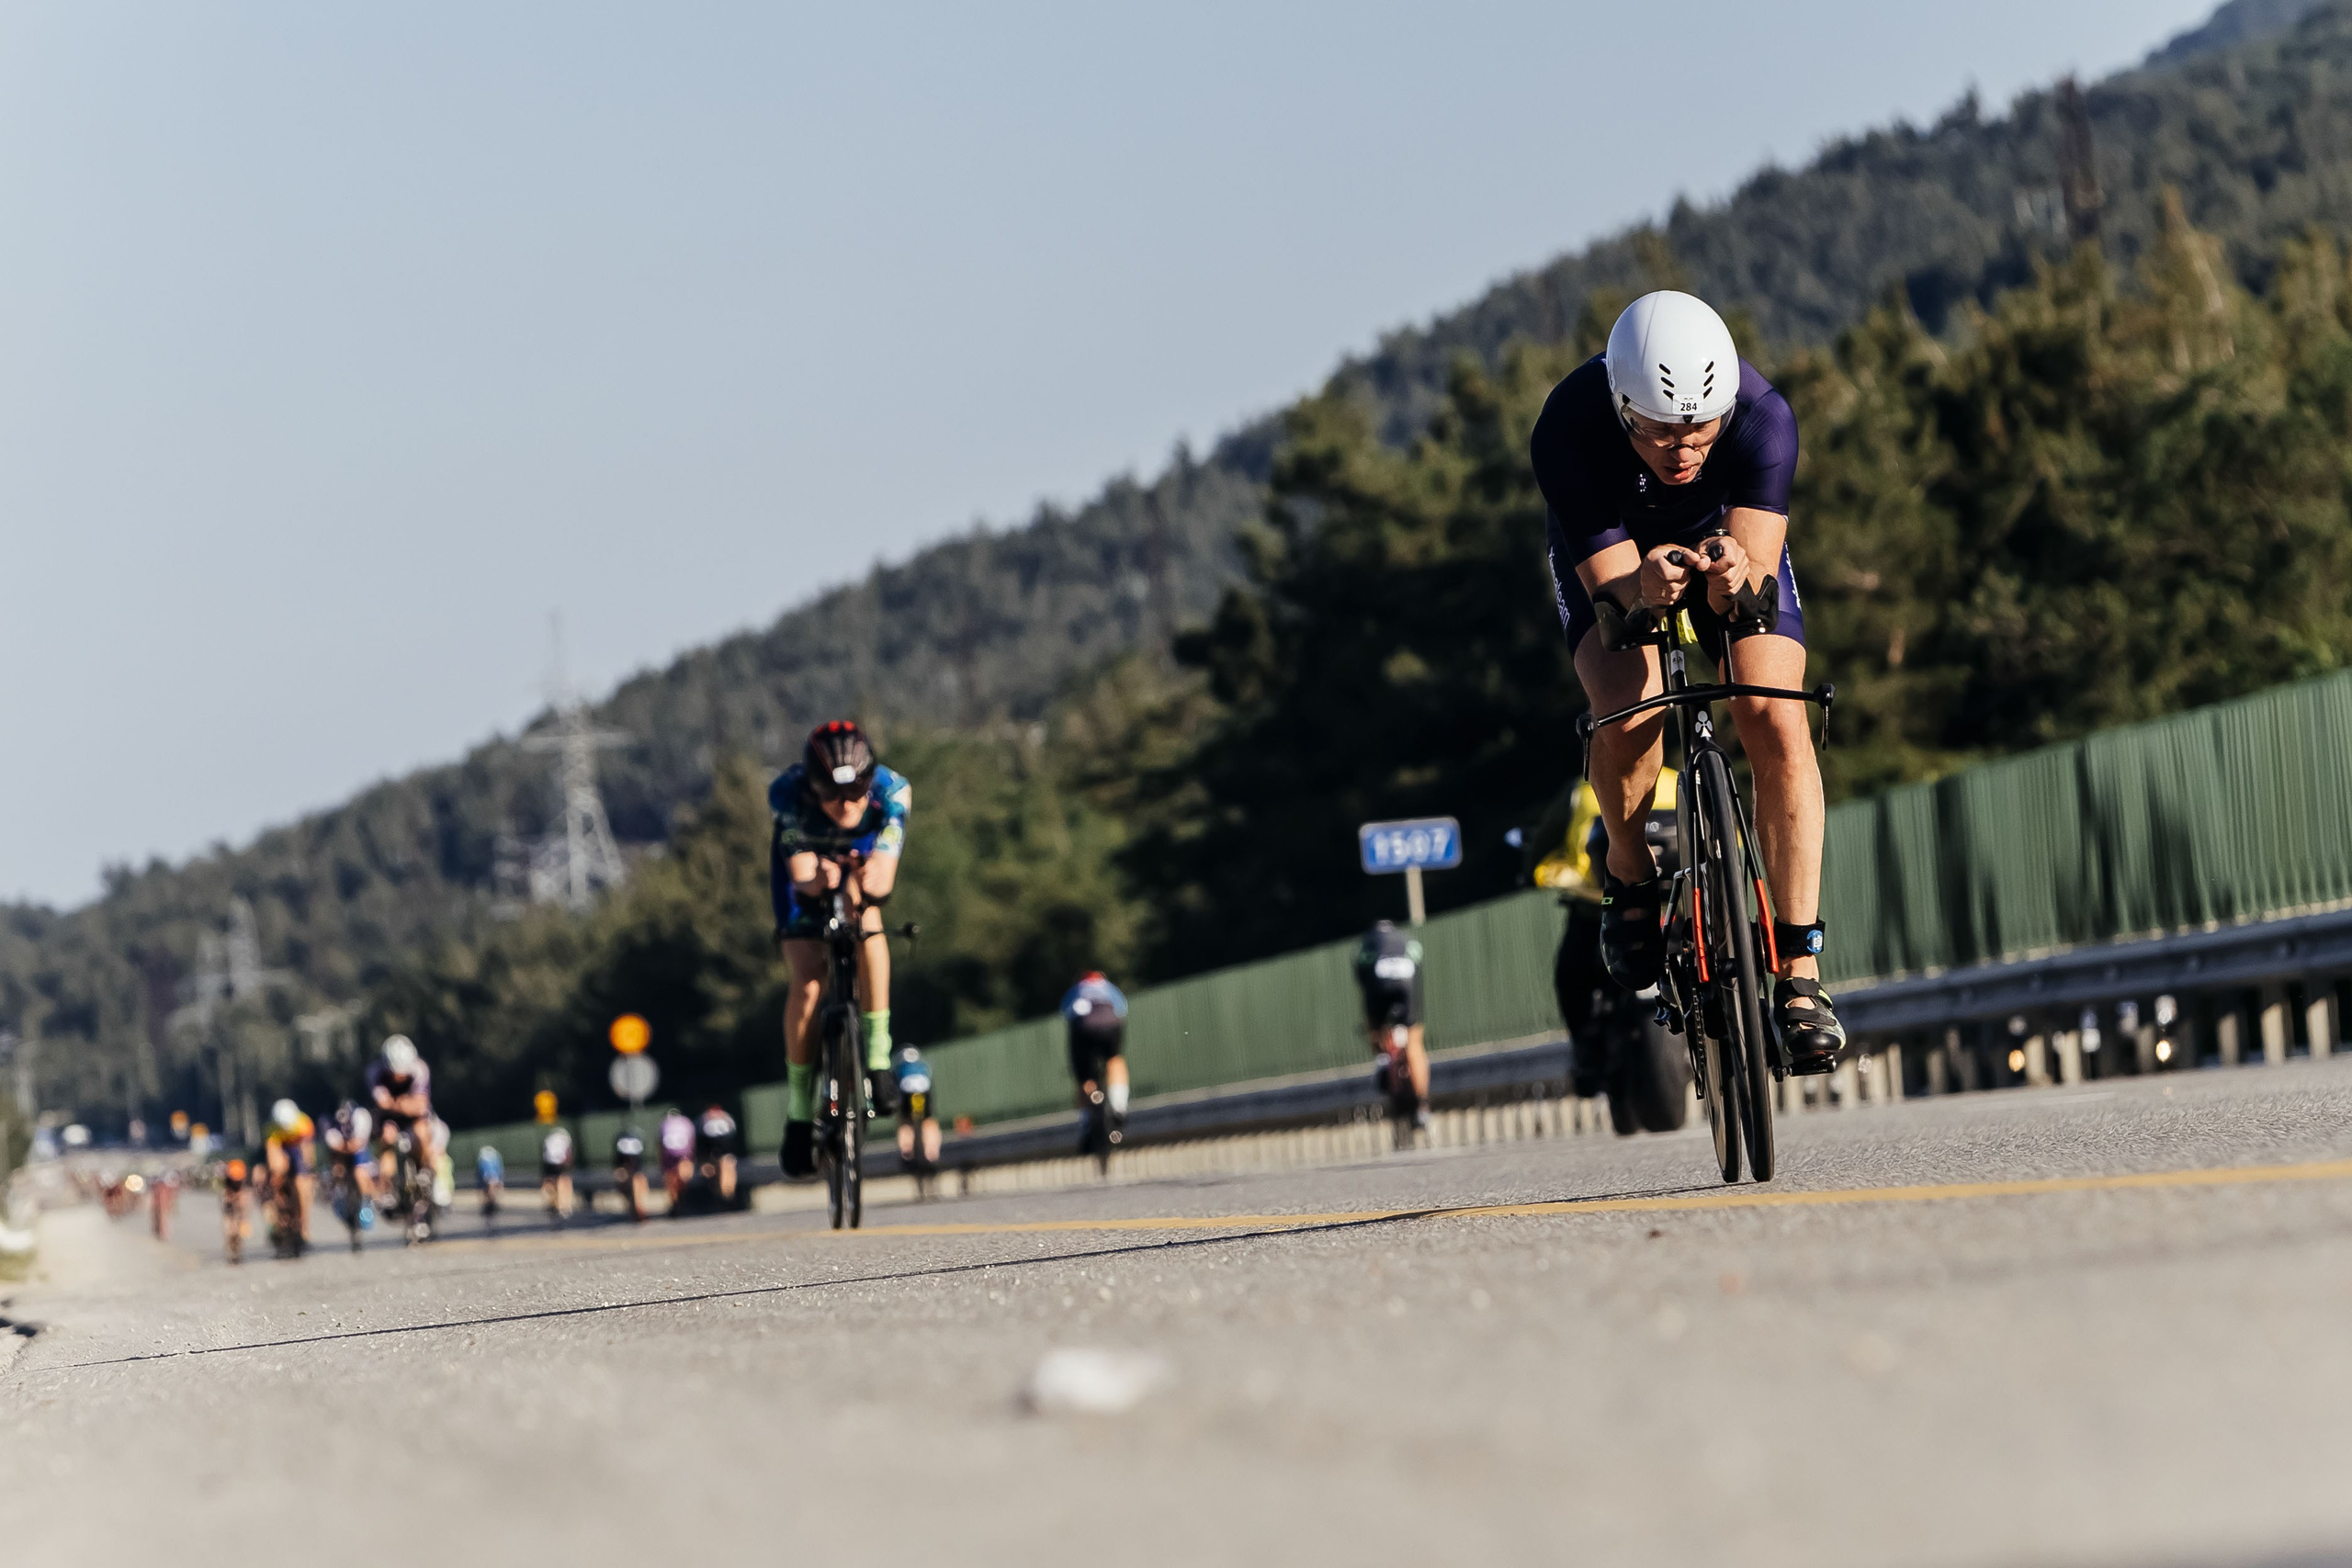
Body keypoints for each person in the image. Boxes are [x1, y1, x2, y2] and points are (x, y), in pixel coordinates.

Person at [1529, 289, 1844, 1073]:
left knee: (1775, 714)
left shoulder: (1763, 418)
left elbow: (1755, 585)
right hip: (1613, 552)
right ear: (1621, 407)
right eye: (1659, 431)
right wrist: (1640, 588)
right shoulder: (1569, 425)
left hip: (1722, 537)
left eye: (1701, 428)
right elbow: (1613, 604)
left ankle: (1800, 970)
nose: (1682, 450)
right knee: (1628, 708)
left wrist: (1735, 576)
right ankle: (1629, 871)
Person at [770, 721, 911, 1179]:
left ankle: (877, 1056)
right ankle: (798, 1111)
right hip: (807, 861)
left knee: (869, 920)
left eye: (855, 792)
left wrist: (864, 874)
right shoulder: (787, 794)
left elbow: (883, 879)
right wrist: (819, 877)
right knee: (810, 978)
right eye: (832, 793)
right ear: (813, 787)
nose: (846, 804)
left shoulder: (893, 792)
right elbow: (803, 877)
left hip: (859, 855)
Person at [1524, 770, 1681, 1098]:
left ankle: (1586, 1049)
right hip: (1677, 903)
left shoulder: (1581, 792)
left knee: (1570, 975)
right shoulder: (1675, 780)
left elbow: (1541, 847)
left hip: (1601, 907)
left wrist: (1529, 871)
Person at [1352, 921, 1431, 1133]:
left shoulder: (1368, 943)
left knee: (1374, 1026)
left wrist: (1372, 1020)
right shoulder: (1406, 940)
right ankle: (1423, 1104)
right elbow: (1418, 963)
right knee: (1414, 1041)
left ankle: (1382, 1061)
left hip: (1379, 986)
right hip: (1407, 985)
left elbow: (1360, 972)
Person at [1060, 971, 1129, 1151]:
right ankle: (1119, 1106)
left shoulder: (1076, 990)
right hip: (1110, 1023)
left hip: (1083, 1028)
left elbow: (1066, 1014)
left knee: (1084, 1077)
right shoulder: (1110, 988)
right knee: (1114, 1060)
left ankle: (1086, 1126)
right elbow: (1122, 1010)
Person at [366, 1034, 443, 1190]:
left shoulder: (420, 1069)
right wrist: (404, 1103)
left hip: (414, 1118)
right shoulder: (374, 1071)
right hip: (389, 1117)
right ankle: (388, 1186)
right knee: (386, 1138)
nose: (399, 1077)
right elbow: (383, 1103)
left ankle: (424, 1170)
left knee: (422, 1133)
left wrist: (398, 1103)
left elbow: (421, 1105)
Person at [261, 1098, 315, 1247]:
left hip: (297, 1149)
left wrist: (306, 1170)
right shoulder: (272, 1129)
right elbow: (272, 1152)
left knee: (301, 1184)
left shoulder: (304, 1123)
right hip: (282, 1148)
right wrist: (276, 1172)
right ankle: (277, 1219)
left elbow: (307, 1152)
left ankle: (304, 1226)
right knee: (275, 1176)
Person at [892, 1046, 943, 1171]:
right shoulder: (923, 1067)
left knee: (905, 1122)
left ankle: (907, 1154)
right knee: (928, 1122)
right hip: (923, 1093)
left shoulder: (899, 1069)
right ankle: (932, 1154)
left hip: (906, 1095)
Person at [694, 1104, 741, 1206]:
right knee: (714, 1170)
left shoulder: (725, 1118)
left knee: (726, 1168)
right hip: (713, 1150)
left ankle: (727, 1196)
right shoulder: (704, 1120)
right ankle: (723, 1195)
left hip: (723, 1148)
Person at [657, 1107, 697, 1210]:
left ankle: (681, 1199)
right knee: (671, 1179)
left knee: (682, 1177)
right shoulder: (665, 1124)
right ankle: (675, 1202)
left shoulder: (685, 1123)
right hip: (673, 1155)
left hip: (682, 1155)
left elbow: (691, 1140)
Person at [611, 1125, 650, 1222]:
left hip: (634, 1170)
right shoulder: (627, 1144)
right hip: (629, 1169)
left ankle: (638, 1210)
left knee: (637, 1185)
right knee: (625, 1182)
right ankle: (635, 1209)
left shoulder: (626, 1143)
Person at [540, 1122, 575, 1220]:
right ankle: (564, 1206)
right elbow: (568, 1154)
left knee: (551, 1183)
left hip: (549, 1165)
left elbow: (545, 1154)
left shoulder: (548, 1139)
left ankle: (554, 1203)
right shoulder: (565, 1138)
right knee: (564, 1182)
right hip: (561, 1164)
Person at [220, 1156, 251, 1263]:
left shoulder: (245, 1182)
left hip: (240, 1210)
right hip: (228, 1209)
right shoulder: (225, 1182)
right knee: (229, 1230)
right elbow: (224, 1198)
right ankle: (230, 1251)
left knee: (238, 1231)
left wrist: (244, 1218)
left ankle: (237, 1251)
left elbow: (246, 1201)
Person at [474, 1141, 505, 1220]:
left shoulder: (486, 1162)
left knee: (489, 1187)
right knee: (490, 1187)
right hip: (490, 1173)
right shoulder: (490, 1161)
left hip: (489, 1173)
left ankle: (490, 1204)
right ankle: (490, 1204)